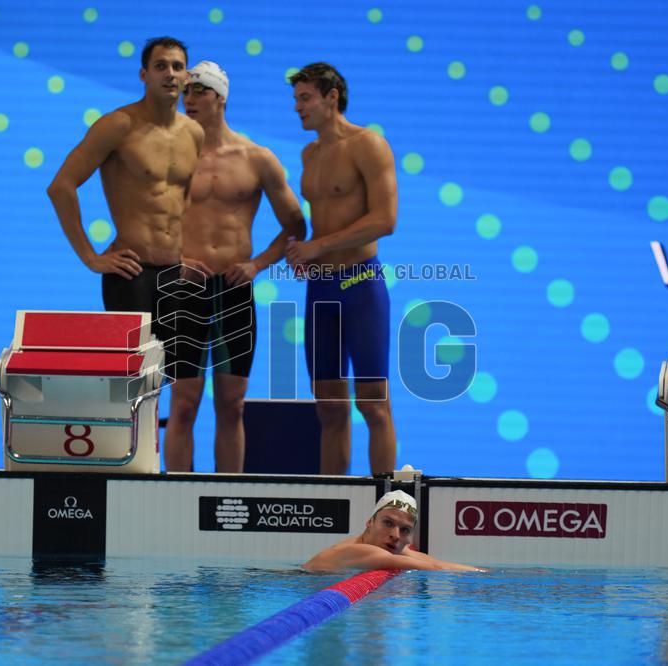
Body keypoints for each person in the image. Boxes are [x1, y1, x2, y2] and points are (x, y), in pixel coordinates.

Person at [165, 61, 306, 472]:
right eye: (185, 93)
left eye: (198, 92)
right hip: (183, 291)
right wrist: (175, 261)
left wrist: (257, 264)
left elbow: (295, 225)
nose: (188, 100)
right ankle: (173, 498)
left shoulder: (256, 158)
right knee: (184, 404)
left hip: (232, 292)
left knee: (232, 404)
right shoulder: (171, 157)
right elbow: (148, 220)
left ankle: (227, 499)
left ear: (220, 98)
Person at [46, 36, 204, 372]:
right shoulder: (118, 125)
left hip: (175, 274)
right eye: (160, 66)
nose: (170, 74)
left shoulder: (194, 132)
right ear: (143, 74)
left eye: (177, 67)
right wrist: (90, 257)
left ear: (187, 75)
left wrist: (188, 250)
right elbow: (61, 187)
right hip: (132, 274)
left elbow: (183, 199)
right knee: (132, 382)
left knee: (173, 382)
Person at [286, 62, 397, 476]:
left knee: (373, 404)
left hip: (360, 284)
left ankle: (387, 503)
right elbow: (322, 223)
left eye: (305, 98)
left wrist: (319, 245)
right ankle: (336, 502)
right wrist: (304, 252)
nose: (297, 108)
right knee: (329, 410)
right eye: (295, 99)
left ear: (332, 98)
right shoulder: (309, 153)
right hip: (321, 291)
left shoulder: (368, 144)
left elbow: (385, 220)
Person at [303, 490, 486, 572]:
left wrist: (483, 571)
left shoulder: (389, 546)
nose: (395, 535)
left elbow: (435, 562)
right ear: (369, 522)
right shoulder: (358, 550)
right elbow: (436, 568)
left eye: (405, 530)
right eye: (388, 523)